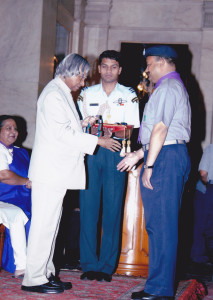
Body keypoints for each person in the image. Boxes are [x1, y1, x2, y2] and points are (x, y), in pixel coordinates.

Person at [21, 53, 121, 294]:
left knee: (52, 227)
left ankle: (45, 273)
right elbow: (62, 135)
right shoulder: (54, 94)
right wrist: (97, 140)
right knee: (44, 227)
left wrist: (83, 123)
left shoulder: (61, 93)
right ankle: (33, 279)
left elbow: (66, 128)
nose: (83, 82)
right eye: (82, 77)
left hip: (57, 172)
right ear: (72, 72)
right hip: (50, 172)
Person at [117, 45, 191, 300]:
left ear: (161, 62)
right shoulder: (168, 88)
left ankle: (160, 290)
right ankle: (156, 285)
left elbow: (160, 129)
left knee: (162, 225)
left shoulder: (169, 87)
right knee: (158, 225)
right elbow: (159, 133)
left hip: (165, 158)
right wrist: (139, 154)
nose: (146, 70)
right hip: (163, 154)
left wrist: (148, 165)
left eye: (149, 64)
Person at [77, 50, 140, 282]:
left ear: (120, 70)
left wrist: (106, 131)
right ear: (98, 68)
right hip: (91, 153)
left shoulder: (130, 95)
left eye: (114, 67)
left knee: (112, 211)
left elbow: (131, 128)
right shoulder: (85, 94)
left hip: (116, 154)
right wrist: (100, 131)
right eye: (104, 66)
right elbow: (79, 126)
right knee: (88, 210)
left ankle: (106, 267)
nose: (108, 71)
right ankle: (89, 264)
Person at [0, 115, 31, 278]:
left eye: (15, 128)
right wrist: (27, 182)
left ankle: (35, 265)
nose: (14, 131)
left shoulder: (22, 152)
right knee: (22, 216)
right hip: (5, 197)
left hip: (25, 198)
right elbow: (4, 176)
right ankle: (17, 264)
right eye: (8, 128)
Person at [188, 144, 213, 278]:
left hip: (207, 188)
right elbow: (203, 174)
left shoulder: (211, 148)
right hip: (206, 190)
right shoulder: (211, 148)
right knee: (203, 226)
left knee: (202, 226)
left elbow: (203, 172)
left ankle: (200, 258)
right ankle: (199, 258)